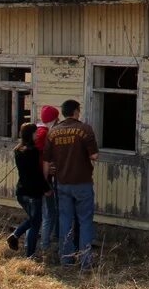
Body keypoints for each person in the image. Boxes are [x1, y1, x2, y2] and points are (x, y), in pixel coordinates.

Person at [43, 99, 98, 268]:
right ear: (75, 111)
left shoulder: (53, 133)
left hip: (62, 183)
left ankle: (65, 258)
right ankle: (85, 260)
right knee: (85, 220)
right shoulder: (85, 129)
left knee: (65, 219)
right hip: (82, 182)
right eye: (78, 110)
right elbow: (94, 156)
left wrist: (46, 184)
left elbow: (46, 161)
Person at [6, 123, 48, 257]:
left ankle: (16, 237)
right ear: (30, 135)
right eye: (35, 133)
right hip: (32, 192)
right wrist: (46, 188)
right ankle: (29, 252)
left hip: (21, 190)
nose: (37, 135)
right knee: (35, 222)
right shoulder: (32, 151)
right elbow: (36, 173)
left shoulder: (18, 150)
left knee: (33, 220)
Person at [35, 105, 60, 251]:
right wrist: (45, 170)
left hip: (41, 179)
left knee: (41, 213)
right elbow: (40, 157)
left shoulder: (39, 131)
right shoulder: (44, 134)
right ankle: (45, 245)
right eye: (56, 120)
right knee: (49, 212)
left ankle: (39, 242)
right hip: (43, 181)